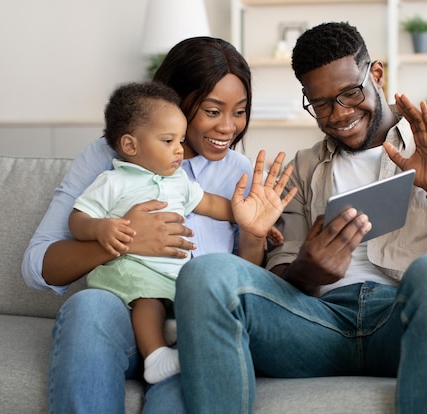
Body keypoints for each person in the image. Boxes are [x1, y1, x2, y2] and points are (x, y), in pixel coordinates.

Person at [173, 22, 427, 413]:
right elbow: (278, 287)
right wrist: (308, 270)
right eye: (321, 103)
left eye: (349, 94)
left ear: (376, 74)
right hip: (318, 324)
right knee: (206, 274)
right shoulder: (303, 169)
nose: (339, 114)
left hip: (410, 322)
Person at [22, 37, 293, 413]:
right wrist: (123, 239)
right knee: (89, 306)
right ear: (176, 102)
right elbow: (38, 266)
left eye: (240, 111)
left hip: (193, 325)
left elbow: (241, 287)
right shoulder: (111, 156)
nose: (229, 127)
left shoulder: (239, 174)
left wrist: (254, 232)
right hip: (122, 316)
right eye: (212, 111)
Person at [68, 81, 292, 384]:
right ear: (131, 145)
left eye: (181, 140)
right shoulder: (114, 181)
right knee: (149, 298)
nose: (178, 150)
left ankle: (171, 334)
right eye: (168, 140)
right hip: (132, 269)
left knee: (185, 298)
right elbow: (78, 218)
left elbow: (211, 204)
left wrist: (249, 218)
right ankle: (156, 356)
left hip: (171, 274)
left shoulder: (177, 181)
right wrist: (101, 228)